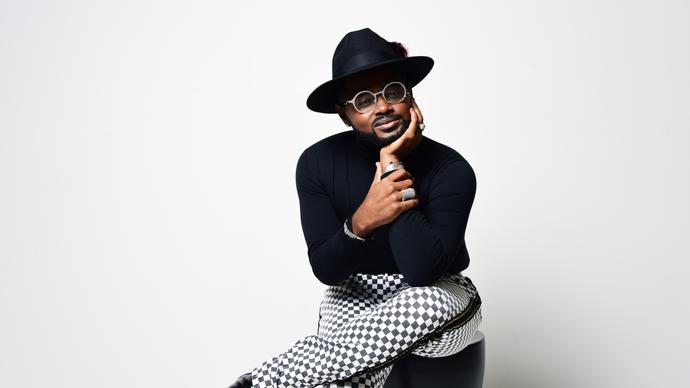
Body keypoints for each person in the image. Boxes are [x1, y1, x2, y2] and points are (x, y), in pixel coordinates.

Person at [229, 27, 482, 388]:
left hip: (440, 295)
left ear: (410, 97)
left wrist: (393, 167)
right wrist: (363, 220)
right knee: (349, 367)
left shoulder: (451, 168)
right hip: (355, 292)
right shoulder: (317, 163)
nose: (382, 106)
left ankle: (265, 381)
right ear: (344, 114)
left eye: (393, 92)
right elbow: (326, 270)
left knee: (425, 305)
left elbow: (423, 271)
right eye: (364, 100)